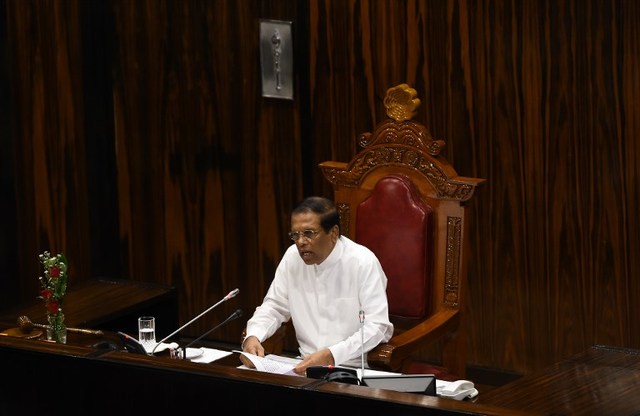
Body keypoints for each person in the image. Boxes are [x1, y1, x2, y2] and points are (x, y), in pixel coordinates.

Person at [241, 196, 393, 376]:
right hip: (302, 368)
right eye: (295, 235)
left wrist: (332, 355)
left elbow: (377, 326)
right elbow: (274, 306)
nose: (300, 242)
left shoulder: (363, 262)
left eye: (309, 233)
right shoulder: (292, 257)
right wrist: (253, 336)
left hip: (351, 369)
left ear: (334, 233)